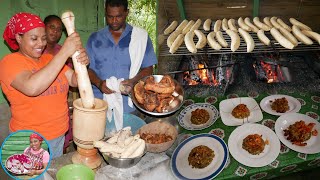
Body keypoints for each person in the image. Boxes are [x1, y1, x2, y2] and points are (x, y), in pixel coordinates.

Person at [0, 12, 89, 158]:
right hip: (30, 141)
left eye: (43, 38)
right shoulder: (9, 62)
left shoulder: (49, 59)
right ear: (18, 38)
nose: (41, 44)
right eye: (34, 38)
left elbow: (74, 80)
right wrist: (65, 52)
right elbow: (32, 87)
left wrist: (81, 62)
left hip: (58, 135)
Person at [86, 0, 157, 114]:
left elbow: (148, 68)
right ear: (105, 13)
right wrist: (99, 83)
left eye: (118, 16)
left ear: (126, 13)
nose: (114, 21)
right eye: (110, 16)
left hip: (130, 105)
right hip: (99, 105)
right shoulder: (95, 39)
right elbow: (87, 69)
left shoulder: (139, 38)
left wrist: (133, 81)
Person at [43, 14, 73, 153]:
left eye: (59, 29)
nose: (55, 31)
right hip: (42, 108)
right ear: (43, 27)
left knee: (61, 145)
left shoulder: (63, 51)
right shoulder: (36, 50)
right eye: (52, 27)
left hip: (59, 104)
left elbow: (72, 78)